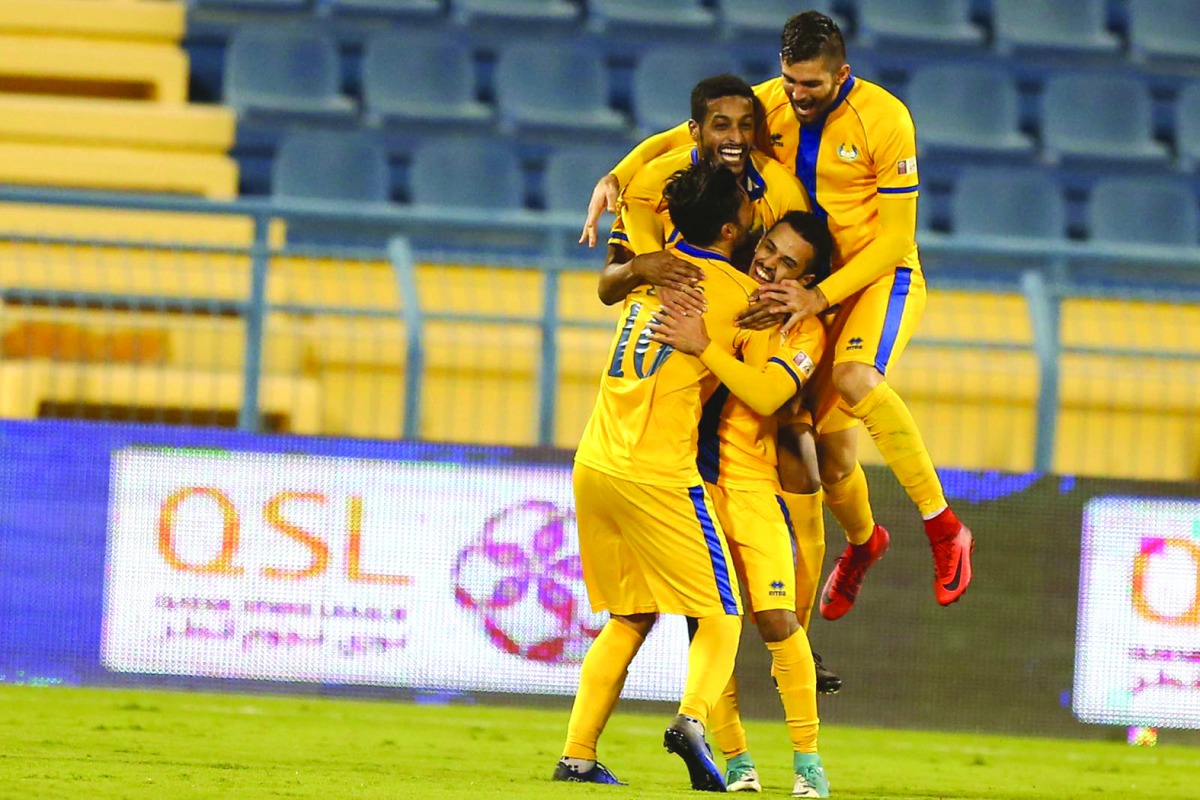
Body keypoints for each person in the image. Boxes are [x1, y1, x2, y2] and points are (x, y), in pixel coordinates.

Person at [580, 10, 974, 613]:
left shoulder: (886, 118)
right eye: (790, 81)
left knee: (855, 377)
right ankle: (864, 543)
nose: (797, 95)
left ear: (841, 73)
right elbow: (680, 136)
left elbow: (897, 239)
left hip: (873, 278)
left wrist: (819, 297)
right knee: (831, 453)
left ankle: (944, 527)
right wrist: (617, 174)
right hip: (803, 282)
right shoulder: (769, 103)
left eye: (811, 84)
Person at [600, 73, 843, 694]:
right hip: (695, 350)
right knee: (707, 563)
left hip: (753, 339)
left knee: (803, 459)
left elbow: (803, 251)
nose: (734, 137)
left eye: (745, 126)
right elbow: (610, 281)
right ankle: (715, 673)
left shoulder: (778, 190)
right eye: (721, 126)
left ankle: (798, 633)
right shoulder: (657, 181)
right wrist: (646, 266)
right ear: (696, 132)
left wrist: (794, 302)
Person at [556, 160, 758, 793]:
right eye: (747, 203)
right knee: (723, 614)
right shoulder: (737, 296)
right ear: (730, 229)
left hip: (596, 460)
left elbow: (615, 271)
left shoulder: (652, 271)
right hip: (657, 473)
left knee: (631, 615)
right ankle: (692, 721)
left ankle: (577, 756)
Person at [648, 211, 835, 798]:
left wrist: (704, 347)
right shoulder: (722, 293)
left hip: (754, 487)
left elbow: (768, 394)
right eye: (769, 249)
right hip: (693, 485)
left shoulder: (804, 333)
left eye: (788, 263)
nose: (769, 264)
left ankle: (808, 762)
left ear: (807, 280)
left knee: (779, 622)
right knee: (710, 623)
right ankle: (736, 762)